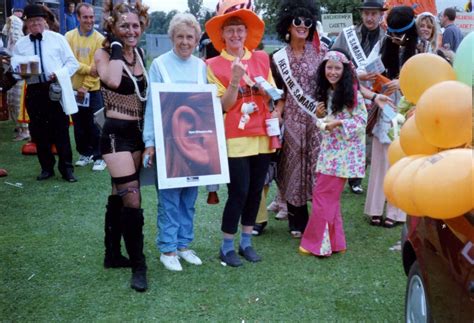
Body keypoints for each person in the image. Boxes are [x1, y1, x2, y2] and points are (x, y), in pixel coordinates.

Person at [206, 1, 276, 267]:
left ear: (247, 33)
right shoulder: (211, 64)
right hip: (233, 136)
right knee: (239, 191)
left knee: (256, 190)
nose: (235, 35)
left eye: (240, 29)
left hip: (262, 133)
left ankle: (246, 242)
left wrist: (268, 93)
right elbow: (223, 106)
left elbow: (271, 94)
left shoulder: (261, 58)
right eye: (230, 30)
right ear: (221, 35)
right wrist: (235, 80)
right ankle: (226, 246)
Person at [142, 13, 209, 271]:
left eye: (189, 37)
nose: (184, 42)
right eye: (179, 36)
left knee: (189, 198)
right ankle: (168, 249)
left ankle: (184, 245)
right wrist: (150, 141)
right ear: (171, 37)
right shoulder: (159, 64)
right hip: (168, 144)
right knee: (169, 199)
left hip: (194, 145)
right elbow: (151, 108)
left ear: (197, 39)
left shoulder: (201, 66)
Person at [94, 0, 149, 292]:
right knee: (133, 199)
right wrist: (115, 45)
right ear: (113, 27)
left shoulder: (139, 53)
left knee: (118, 192)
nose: (131, 30)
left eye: (135, 25)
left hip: (138, 134)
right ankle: (139, 266)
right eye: (124, 25)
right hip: (115, 134)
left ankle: (112, 254)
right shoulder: (104, 54)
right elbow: (113, 80)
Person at [299, 49, 367, 257]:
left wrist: (338, 123)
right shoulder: (327, 91)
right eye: (329, 67)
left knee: (322, 196)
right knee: (329, 198)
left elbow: (362, 121)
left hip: (345, 154)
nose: (333, 72)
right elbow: (323, 120)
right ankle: (336, 243)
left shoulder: (352, 93)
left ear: (345, 70)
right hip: (330, 151)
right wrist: (321, 115)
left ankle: (316, 244)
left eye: (337, 68)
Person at [272, 0, 326, 238]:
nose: (302, 25)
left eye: (307, 22)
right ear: (288, 24)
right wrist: (278, 115)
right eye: (297, 21)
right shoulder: (277, 58)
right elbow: (278, 92)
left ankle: (321, 218)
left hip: (317, 120)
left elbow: (334, 81)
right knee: (293, 169)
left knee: (317, 168)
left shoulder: (322, 51)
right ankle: (296, 221)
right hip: (292, 120)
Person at [364, 6, 418, 228]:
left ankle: (396, 212)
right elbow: (367, 69)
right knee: (379, 159)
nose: (396, 39)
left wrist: (404, 83)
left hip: (408, 112)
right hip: (384, 106)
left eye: (400, 35)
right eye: (392, 34)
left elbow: (429, 83)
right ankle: (375, 209)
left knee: (401, 161)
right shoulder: (383, 43)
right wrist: (375, 77)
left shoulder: (422, 50)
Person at [13, 4, 79, 182]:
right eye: (31, 21)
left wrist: (57, 74)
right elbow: (16, 70)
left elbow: (73, 63)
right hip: (34, 90)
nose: (35, 24)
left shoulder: (57, 39)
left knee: (61, 130)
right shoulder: (21, 44)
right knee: (38, 131)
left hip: (54, 88)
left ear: (45, 21)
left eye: (38, 21)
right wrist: (20, 72)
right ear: (26, 23)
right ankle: (46, 168)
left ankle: (67, 169)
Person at [331, 0, 387, 195]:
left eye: (374, 14)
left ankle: (357, 176)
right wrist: (354, 75)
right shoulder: (348, 35)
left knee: (369, 135)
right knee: (347, 130)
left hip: (375, 91)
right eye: (367, 14)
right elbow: (333, 57)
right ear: (361, 15)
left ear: (381, 15)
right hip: (349, 90)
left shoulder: (387, 38)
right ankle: (344, 173)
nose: (370, 18)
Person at [65, 3, 106, 171]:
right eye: (85, 17)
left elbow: (98, 66)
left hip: (93, 90)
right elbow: (70, 63)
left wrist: (86, 86)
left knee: (96, 124)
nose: (89, 20)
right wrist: (87, 68)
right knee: (79, 125)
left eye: (91, 17)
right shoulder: (68, 36)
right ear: (78, 17)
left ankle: (100, 156)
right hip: (73, 89)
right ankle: (85, 153)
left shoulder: (100, 39)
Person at [2, 8, 29, 142]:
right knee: (12, 101)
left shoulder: (20, 41)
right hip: (12, 73)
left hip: (18, 75)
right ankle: (20, 128)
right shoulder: (10, 42)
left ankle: (25, 130)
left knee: (18, 102)